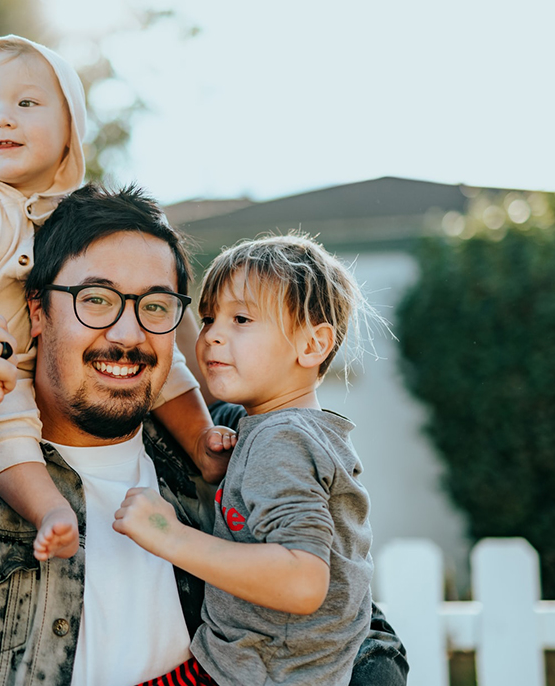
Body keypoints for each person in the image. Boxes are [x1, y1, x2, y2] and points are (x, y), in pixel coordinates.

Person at [0, 185, 407, 686]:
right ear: (37, 312)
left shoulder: (221, 452)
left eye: (154, 306)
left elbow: (352, 623)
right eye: (96, 299)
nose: (127, 335)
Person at [0, 35, 233, 562]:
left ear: (71, 127)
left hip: (36, 357)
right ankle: (49, 509)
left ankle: (202, 442)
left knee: (163, 357)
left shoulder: (78, 215)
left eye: (25, 103)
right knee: (3, 431)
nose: (1, 119)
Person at [116, 235, 383, 685]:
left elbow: (303, 581)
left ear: (313, 345)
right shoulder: (292, 431)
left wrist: (168, 536)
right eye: (207, 318)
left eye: (240, 318)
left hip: (253, 673)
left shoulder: (281, 439)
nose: (213, 334)